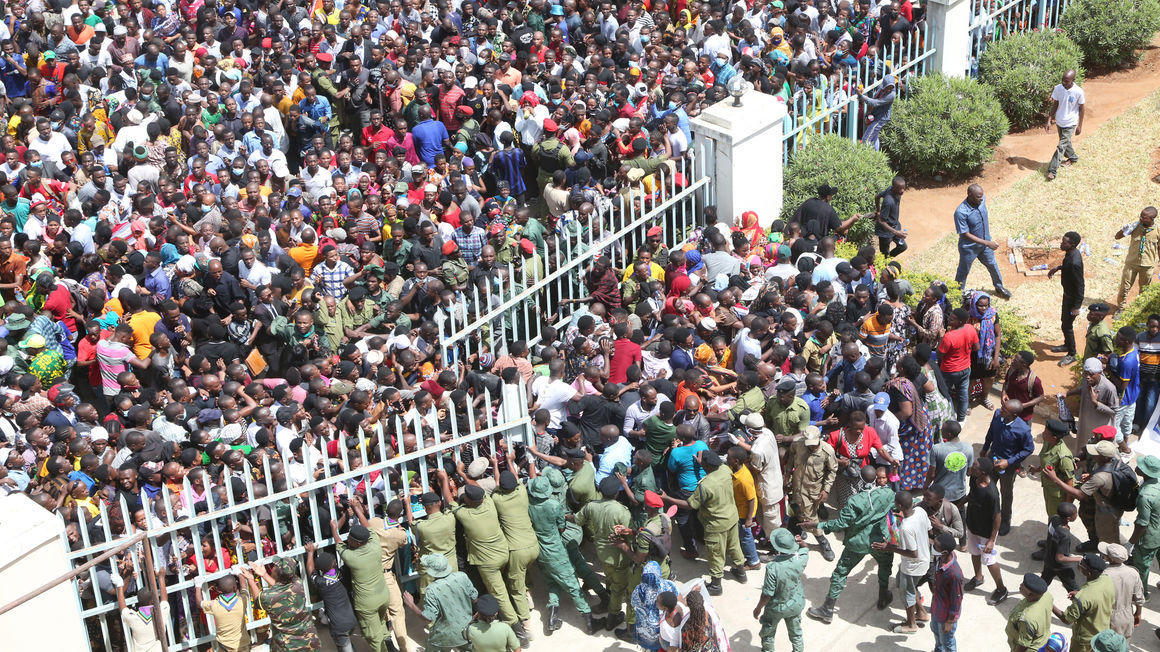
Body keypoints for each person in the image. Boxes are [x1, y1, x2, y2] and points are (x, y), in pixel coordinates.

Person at [802, 464, 895, 624]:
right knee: (885, 566)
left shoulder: (855, 501)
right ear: (876, 479)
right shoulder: (888, 493)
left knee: (841, 573)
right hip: (880, 541)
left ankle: (828, 609)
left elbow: (840, 524)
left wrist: (817, 524)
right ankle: (883, 596)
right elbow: (896, 507)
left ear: (861, 479)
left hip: (857, 543)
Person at [526, 475, 601, 635]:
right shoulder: (553, 505)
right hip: (555, 551)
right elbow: (561, 528)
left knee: (552, 581)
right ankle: (588, 620)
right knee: (573, 585)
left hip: (541, 552)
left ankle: (552, 616)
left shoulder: (529, 505)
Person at [1043, 440, 1125, 548]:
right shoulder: (1113, 460)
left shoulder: (1100, 477)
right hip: (1103, 499)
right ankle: (1095, 541)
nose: (1092, 455)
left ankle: (1108, 551)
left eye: (1096, 454)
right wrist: (1090, 475)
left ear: (1104, 457)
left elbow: (1080, 495)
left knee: (1108, 538)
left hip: (1108, 511)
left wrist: (1055, 479)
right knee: (1086, 514)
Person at [871, 490, 930, 634]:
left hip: (912, 567)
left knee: (907, 594)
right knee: (906, 585)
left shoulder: (906, 527)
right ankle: (921, 613)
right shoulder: (920, 511)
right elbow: (928, 528)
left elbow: (913, 553)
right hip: (924, 559)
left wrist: (889, 548)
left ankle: (911, 624)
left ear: (899, 506)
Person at [331, 519, 393, 652]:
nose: (347, 539)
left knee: (374, 637)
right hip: (383, 596)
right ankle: (390, 645)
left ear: (358, 543)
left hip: (367, 604)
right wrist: (358, 510)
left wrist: (334, 530)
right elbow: (369, 527)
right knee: (381, 623)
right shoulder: (375, 544)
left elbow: (339, 544)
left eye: (350, 538)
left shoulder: (352, 557)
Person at [401, 554, 478, 652]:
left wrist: (412, 605)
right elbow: (475, 599)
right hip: (468, 630)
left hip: (444, 636)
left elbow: (428, 619)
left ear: (431, 572)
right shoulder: (462, 576)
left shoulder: (431, 590)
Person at [239, 559, 321, 651]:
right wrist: (265, 575)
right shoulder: (298, 584)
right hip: (310, 641)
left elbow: (258, 600)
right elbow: (281, 586)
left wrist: (250, 579)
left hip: (287, 646)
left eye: (274, 567)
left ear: (276, 574)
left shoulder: (269, 597)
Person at [980, 399, 1034, 536]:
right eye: (1002, 407)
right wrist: (985, 448)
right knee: (989, 489)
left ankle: (1005, 520)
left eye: (1004, 409)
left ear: (1013, 415)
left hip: (1008, 468)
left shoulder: (1023, 429)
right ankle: (990, 514)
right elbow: (991, 432)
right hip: (992, 460)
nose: (1000, 410)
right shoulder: (997, 415)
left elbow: (1029, 449)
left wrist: (1009, 462)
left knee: (1006, 494)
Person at [753, 528, 809, 652]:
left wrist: (758, 608)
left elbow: (767, 594)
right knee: (796, 634)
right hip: (796, 604)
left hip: (776, 608)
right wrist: (801, 542)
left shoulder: (773, 567)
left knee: (768, 634)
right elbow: (805, 548)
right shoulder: (800, 560)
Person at [787, 425, 837, 560]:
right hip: (797, 486)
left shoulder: (827, 451)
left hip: (813, 489)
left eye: (814, 444)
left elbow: (832, 471)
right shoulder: (798, 444)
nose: (811, 447)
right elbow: (791, 457)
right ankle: (800, 527)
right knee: (801, 509)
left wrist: (826, 490)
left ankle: (821, 539)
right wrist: (787, 474)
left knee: (811, 517)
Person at [953, 184, 1011, 300]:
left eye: (982, 196)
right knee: (963, 271)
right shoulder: (961, 212)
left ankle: (999, 287)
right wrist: (987, 243)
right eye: (978, 197)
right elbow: (965, 234)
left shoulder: (982, 201)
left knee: (992, 265)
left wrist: (986, 243)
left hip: (984, 246)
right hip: (969, 248)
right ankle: (957, 295)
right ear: (969, 195)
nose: (981, 198)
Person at [963, 457, 1008, 604]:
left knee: (989, 561)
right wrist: (960, 504)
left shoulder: (992, 493)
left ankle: (1002, 589)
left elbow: (997, 517)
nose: (971, 468)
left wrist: (991, 540)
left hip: (986, 533)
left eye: (975, 467)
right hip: (973, 525)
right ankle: (978, 577)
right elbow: (972, 495)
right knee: (974, 553)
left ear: (982, 472)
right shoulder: (974, 478)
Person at [1053, 554, 1115, 652]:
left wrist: (1049, 604)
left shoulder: (1083, 597)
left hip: (1084, 641)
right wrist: (1080, 595)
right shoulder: (1107, 580)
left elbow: (1067, 619)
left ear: (1088, 573)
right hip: (1102, 634)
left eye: (1081, 564)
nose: (1079, 565)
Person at [1048, 231, 1085, 366]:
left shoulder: (1075, 262)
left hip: (1072, 300)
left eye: (1064, 242)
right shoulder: (1071, 254)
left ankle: (1072, 354)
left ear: (1072, 245)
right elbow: (1067, 266)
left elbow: (1080, 285)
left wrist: (1077, 307)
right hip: (1067, 296)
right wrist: (1058, 268)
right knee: (1064, 322)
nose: (1061, 243)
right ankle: (1066, 345)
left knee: (1067, 325)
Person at [1115, 206, 1160, 308]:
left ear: (1152, 219)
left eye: (1144, 218)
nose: (1141, 218)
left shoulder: (1158, 231)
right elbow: (1117, 237)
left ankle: (1140, 309)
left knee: (1144, 290)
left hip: (1147, 266)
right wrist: (1123, 230)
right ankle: (1120, 308)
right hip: (1131, 264)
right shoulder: (1135, 226)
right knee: (1124, 288)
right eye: (1141, 216)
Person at [1097, 542, 1143, 639]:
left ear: (1109, 559)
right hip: (1128, 616)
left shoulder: (1104, 575)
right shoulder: (1133, 572)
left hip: (1109, 617)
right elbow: (1139, 597)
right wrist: (1138, 613)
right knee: (1124, 643)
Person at [1045, 69, 1085, 181]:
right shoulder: (1058, 88)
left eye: (1066, 81)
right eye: (1063, 80)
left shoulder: (1078, 91)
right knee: (1065, 142)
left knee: (1061, 146)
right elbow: (1055, 104)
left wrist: (1080, 125)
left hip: (1071, 122)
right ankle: (1073, 157)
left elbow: (1082, 109)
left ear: (1073, 80)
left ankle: (1052, 170)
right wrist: (1049, 119)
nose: (1063, 82)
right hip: (1060, 121)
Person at [1129, 454, 1160, 596]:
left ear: (1145, 472)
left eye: (1140, 466)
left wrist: (1130, 543)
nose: (1137, 466)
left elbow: (1142, 524)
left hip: (1149, 537)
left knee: (1142, 566)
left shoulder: (1145, 495)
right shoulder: (1157, 482)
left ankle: (1142, 594)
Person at [929, 532, 964, 652]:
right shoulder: (939, 558)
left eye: (935, 547)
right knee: (936, 632)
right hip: (936, 608)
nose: (932, 547)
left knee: (947, 642)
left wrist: (949, 621)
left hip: (946, 615)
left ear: (944, 552)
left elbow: (957, 599)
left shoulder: (954, 574)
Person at [1005, 573, 1053, 652]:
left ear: (1029, 594)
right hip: (1042, 638)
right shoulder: (1046, 595)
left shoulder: (1026, 619)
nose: (1020, 585)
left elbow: (1023, 644)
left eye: (1023, 585)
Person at [873, 176, 908, 256]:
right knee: (884, 254)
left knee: (903, 246)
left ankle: (888, 259)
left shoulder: (890, 189)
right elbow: (881, 221)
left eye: (903, 188)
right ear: (894, 188)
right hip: (885, 232)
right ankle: (885, 260)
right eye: (900, 189)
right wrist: (896, 232)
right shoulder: (888, 201)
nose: (902, 191)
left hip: (895, 226)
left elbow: (877, 196)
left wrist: (878, 210)